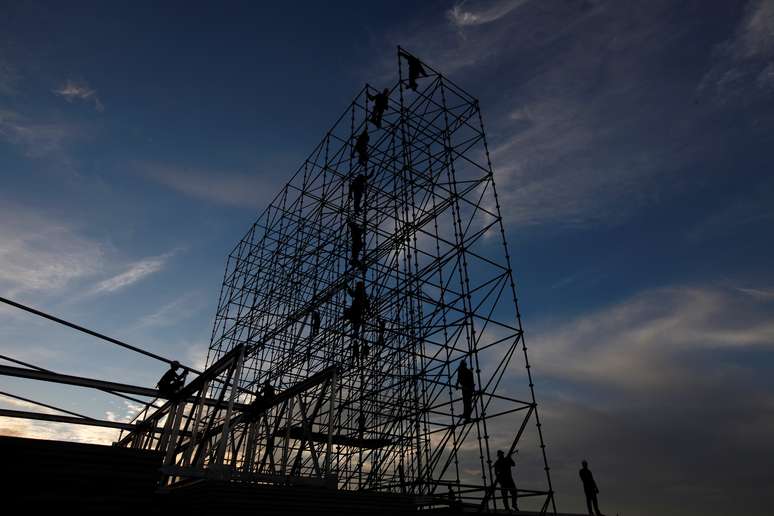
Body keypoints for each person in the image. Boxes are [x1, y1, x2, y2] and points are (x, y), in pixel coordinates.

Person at [344, 281, 370, 350]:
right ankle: (355, 332)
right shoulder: (362, 294)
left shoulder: (360, 293)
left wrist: (347, 287)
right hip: (357, 308)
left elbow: (352, 294)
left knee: (356, 320)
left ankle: (355, 332)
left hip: (357, 308)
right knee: (356, 320)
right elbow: (353, 294)